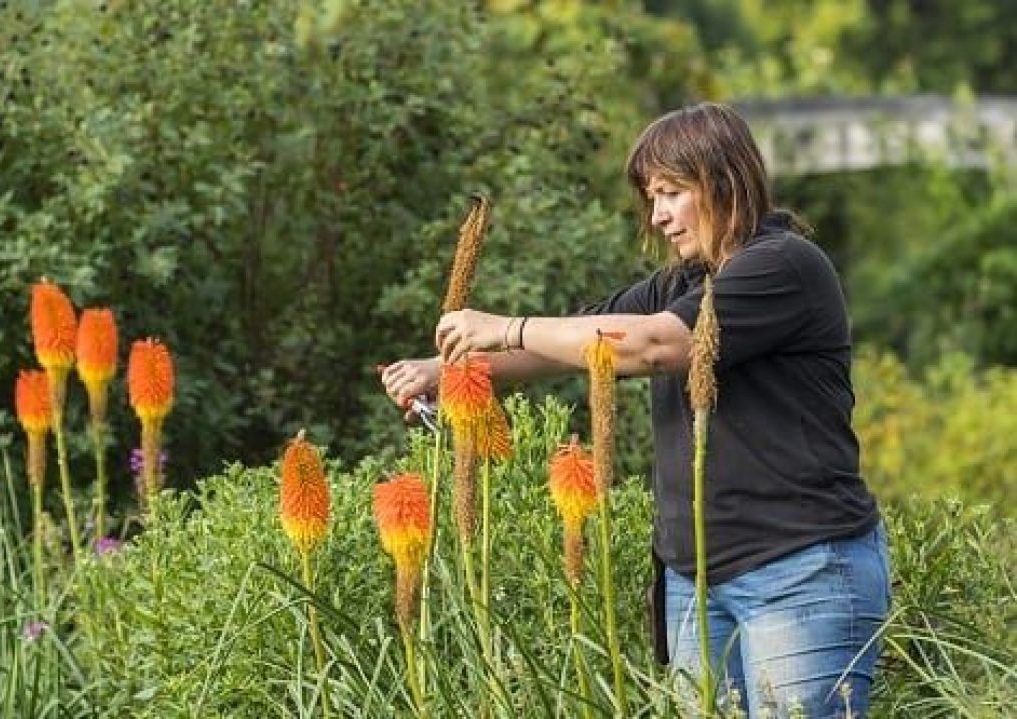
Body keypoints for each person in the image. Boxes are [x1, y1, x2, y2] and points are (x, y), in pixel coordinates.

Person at [380, 101, 890, 717]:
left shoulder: (783, 266)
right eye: (653, 197)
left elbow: (654, 345)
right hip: (696, 580)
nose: (659, 215)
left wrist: (505, 326)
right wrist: (448, 371)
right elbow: (570, 340)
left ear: (724, 180)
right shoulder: (678, 283)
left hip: (800, 572)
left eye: (672, 192)